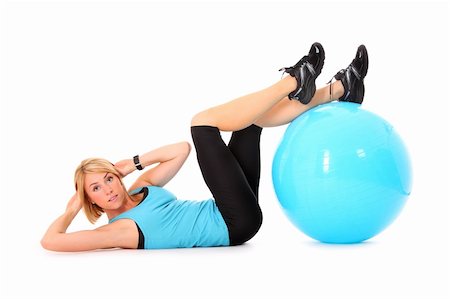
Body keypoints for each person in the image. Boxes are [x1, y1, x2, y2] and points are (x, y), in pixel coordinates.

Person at [41, 42, 369, 251]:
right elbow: (50, 241)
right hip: (233, 223)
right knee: (202, 123)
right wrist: (71, 210)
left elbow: (179, 150)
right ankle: (294, 81)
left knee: (250, 122)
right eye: (95, 188)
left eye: (107, 178)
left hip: (233, 212)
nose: (107, 189)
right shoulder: (119, 232)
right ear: (91, 199)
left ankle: (340, 88)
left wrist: (132, 162)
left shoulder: (142, 188)